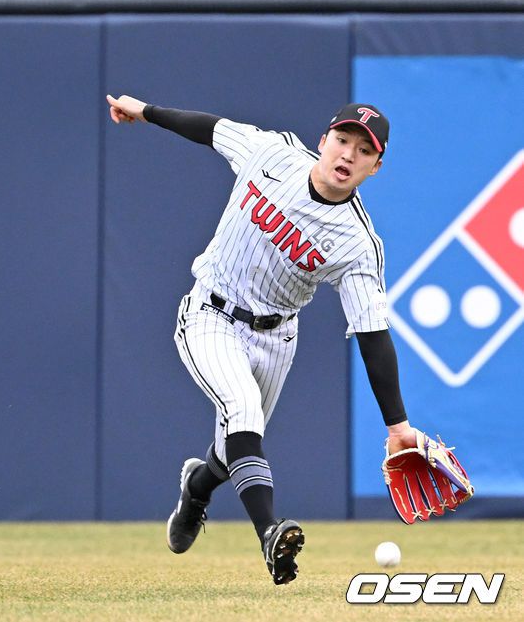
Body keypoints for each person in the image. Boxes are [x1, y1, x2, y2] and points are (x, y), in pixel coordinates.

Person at [106, 93, 418, 585]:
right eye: (342, 140)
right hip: (211, 311)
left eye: (364, 151)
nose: (348, 155)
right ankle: (270, 533)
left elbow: (373, 334)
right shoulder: (271, 153)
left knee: (233, 447)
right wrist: (146, 111)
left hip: (276, 337)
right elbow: (209, 128)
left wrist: (397, 426)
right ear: (323, 140)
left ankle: (196, 488)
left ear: (375, 167)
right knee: (243, 412)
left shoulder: (357, 243)